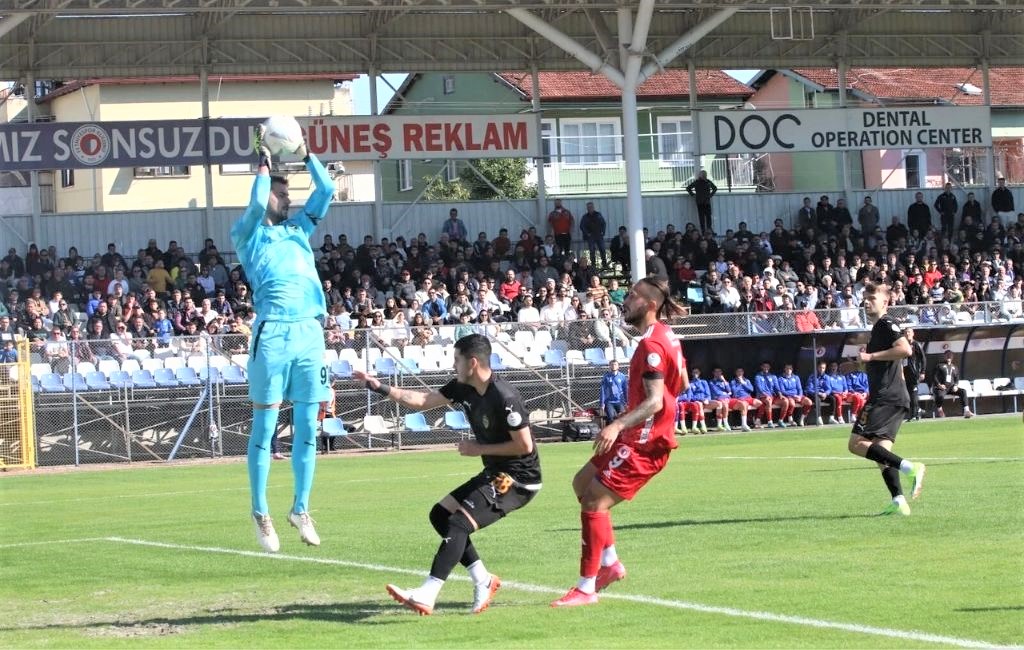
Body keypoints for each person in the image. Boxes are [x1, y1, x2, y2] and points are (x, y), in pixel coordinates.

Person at [356, 334, 540, 616]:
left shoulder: (505, 397)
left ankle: (427, 593)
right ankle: (484, 579)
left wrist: (478, 447)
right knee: (440, 515)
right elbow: (421, 400)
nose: (453, 365)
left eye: (456, 360)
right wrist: (379, 387)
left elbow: (524, 445)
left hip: (517, 480)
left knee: (458, 523)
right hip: (495, 472)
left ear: (473, 362)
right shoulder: (463, 386)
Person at [552, 277, 687, 607]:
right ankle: (610, 563)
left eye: (632, 297)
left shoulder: (651, 346)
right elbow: (682, 381)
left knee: (593, 503)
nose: (625, 301)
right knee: (582, 484)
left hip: (644, 443)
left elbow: (655, 401)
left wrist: (618, 424)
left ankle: (586, 588)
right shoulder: (667, 336)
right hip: (636, 436)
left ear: (650, 305)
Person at [232, 123, 334, 553]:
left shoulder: (298, 229)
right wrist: (264, 164)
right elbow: (257, 200)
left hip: (310, 331)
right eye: (281, 191)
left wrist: (307, 153)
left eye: (286, 190)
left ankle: (300, 508)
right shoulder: (248, 233)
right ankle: (260, 512)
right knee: (266, 426)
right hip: (272, 332)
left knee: (309, 426)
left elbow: (326, 190)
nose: (286, 196)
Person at [849, 282, 926, 516]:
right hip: (895, 396)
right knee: (881, 451)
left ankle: (911, 468)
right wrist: (865, 363)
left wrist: (870, 356)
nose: (866, 301)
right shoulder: (879, 330)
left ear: (886, 302)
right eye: (865, 297)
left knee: (856, 444)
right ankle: (898, 500)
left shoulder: (886, 323)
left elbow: (905, 349)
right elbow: (894, 365)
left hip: (885, 397)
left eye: (872, 297)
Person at [931, 349, 973, 418]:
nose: (949, 357)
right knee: (940, 395)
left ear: (952, 357)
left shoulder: (955, 367)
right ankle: (940, 410)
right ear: (944, 356)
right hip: (942, 388)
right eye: (947, 355)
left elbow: (957, 378)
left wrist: (956, 385)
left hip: (951, 388)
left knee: (963, 391)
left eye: (950, 355)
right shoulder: (939, 365)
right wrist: (939, 385)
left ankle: (966, 411)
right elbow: (934, 376)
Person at [903, 327, 926, 421]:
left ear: (913, 333)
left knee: (913, 393)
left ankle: (914, 414)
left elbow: (923, 358)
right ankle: (918, 411)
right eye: (905, 332)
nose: (907, 334)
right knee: (908, 394)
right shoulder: (903, 345)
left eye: (909, 332)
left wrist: (922, 372)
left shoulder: (916, 344)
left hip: (914, 372)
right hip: (905, 373)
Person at [686, 170, 717, 234]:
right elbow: (688, 188)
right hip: (700, 203)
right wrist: (693, 195)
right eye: (703, 175)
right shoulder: (696, 182)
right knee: (702, 218)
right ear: (700, 175)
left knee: (708, 218)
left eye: (705, 175)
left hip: (707, 202)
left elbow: (715, 188)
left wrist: (710, 195)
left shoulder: (708, 182)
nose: (704, 176)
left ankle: (709, 231)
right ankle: (703, 232)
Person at [579, 201, 608, 268]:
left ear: (593, 207)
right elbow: (581, 226)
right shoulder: (585, 217)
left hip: (599, 235)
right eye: (588, 207)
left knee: (602, 249)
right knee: (592, 251)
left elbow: (603, 223)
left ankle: (604, 264)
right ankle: (593, 265)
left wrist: (603, 232)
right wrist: (587, 233)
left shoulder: (598, 214)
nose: (590, 208)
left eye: (591, 207)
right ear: (587, 208)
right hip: (590, 236)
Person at [599, 359, 628, 424]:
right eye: (612, 365)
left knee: (622, 418)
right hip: (609, 402)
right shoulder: (606, 377)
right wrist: (602, 403)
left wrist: (627, 402)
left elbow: (625, 389)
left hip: (619, 401)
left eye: (615, 364)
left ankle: (622, 433)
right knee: (611, 418)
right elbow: (603, 390)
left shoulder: (622, 376)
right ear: (609, 366)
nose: (613, 366)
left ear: (618, 366)